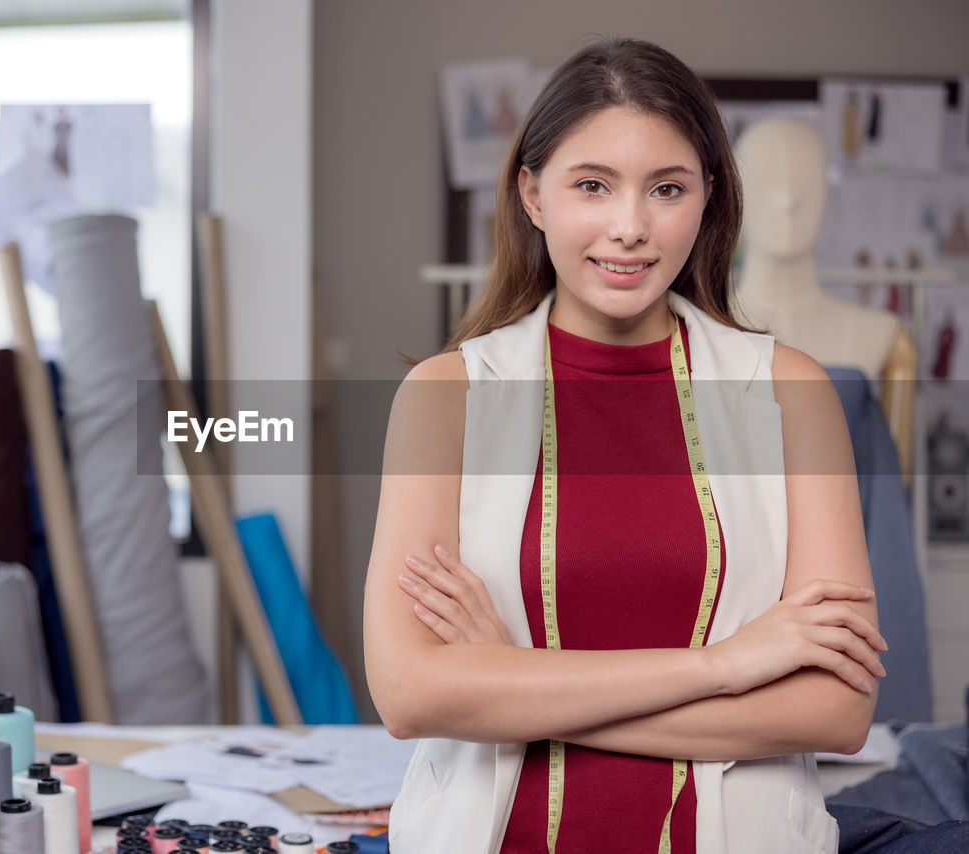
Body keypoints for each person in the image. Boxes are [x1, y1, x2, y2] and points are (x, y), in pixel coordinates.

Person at [363, 37, 887, 854]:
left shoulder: (792, 392)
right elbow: (410, 694)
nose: (630, 228)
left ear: (709, 198)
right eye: (592, 186)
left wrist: (514, 679)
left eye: (667, 188)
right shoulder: (445, 397)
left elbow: (836, 711)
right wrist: (728, 663)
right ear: (533, 195)